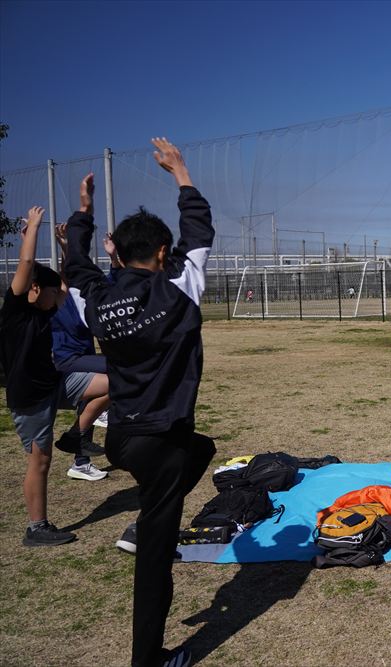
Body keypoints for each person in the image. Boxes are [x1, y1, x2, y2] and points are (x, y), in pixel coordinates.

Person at [65, 139, 217, 667]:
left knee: (203, 450)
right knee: (155, 559)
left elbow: (75, 266)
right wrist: (180, 172)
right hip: (161, 440)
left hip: (123, 437)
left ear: (117, 254)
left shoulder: (97, 301)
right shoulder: (179, 288)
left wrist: (82, 215)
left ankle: (150, 520)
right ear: (161, 253)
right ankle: (148, 658)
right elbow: (199, 231)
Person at [1, 207, 111, 547]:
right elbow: (26, 264)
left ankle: (76, 436)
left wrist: (66, 248)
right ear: (34, 289)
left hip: (56, 383)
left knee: (120, 380)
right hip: (30, 398)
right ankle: (37, 528)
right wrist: (33, 228)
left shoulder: (45, 310)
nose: (59, 299)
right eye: (52, 293)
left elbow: (64, 282)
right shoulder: (16, 310)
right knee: (41, 460)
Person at [50, 223, 115, 480]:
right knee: (118, 370)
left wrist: (113, 258)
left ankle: (80, 461)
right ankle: (106, 412)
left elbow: (114, 283)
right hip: (67, 360)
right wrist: (65, 247)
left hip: (83, 357)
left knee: (92, 400)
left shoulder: (91, 293)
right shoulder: (62, 297)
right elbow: (65, 273)